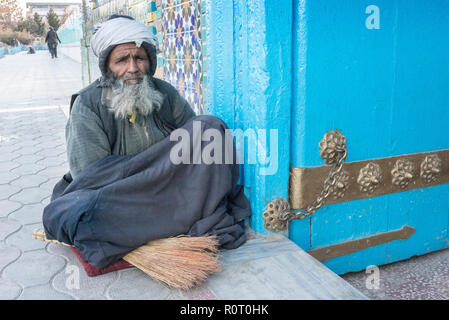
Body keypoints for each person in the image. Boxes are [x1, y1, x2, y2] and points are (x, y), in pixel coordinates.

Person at [45, 14, 251, 268]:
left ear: (149, 61)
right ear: (106, 65)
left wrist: (166, 173)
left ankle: (168, 219)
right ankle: (183, 217)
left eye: (139, 58)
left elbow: (196, 146)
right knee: (84, 212)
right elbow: (91, 177)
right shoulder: (88, 105)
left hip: (169, 189)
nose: (133, 69)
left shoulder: (164, 93)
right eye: (122, 60)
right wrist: (151, 175)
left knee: (210, 128)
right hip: (127, 197)